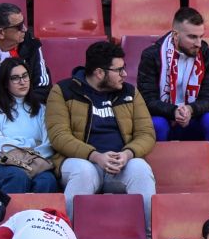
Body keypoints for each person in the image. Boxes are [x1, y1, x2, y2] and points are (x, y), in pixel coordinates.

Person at [46, 39, 157, 225]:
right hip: (80, 162)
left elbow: (146, 133)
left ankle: (148, 238)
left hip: (120, 165)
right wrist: (95, 156)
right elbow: (59, 136)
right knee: (84, 172)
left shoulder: (130, 92)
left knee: (141, 169)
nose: (124, 74)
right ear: (99, 73)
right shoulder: (63, 91)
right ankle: (67, 236)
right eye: (118, 70)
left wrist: (127, 154)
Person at [0, 56, 61, 195]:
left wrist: (27, 158)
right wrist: (30, 143)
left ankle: (38, 217)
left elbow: (48, 144)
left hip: (35, 164)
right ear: (5, 83)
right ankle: (11, 216)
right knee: (17, 176)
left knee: (47, 181)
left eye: (25, 76)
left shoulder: (41, 109)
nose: (22, 82)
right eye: (15, 78)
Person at [137, 7, 209, 144]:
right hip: (164, 116)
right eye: (192, 37)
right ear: (175, 35)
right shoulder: (152, 55)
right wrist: (173, 111)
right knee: (156, 124)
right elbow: (147, 99)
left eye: (200, 37)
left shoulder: (207, 55)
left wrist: (190, 110)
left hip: (194, 116)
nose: (198, 43)